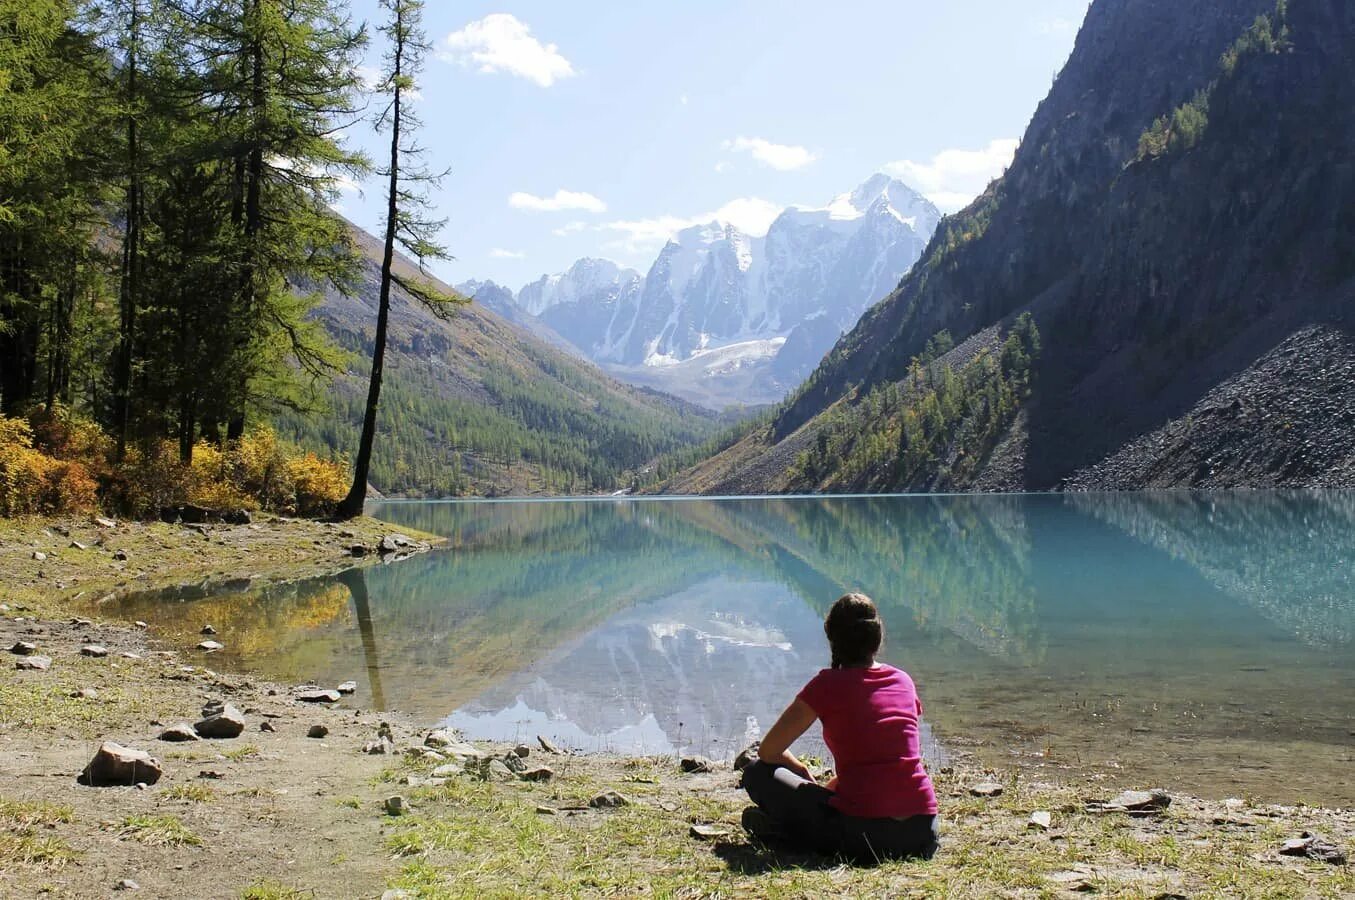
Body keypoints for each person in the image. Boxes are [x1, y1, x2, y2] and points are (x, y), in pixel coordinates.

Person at [741, 592, 939, 863]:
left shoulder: (826, 685)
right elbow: (881, 758)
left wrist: (799, 770)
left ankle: (782, 833)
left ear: (834, 640)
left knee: (756, 773)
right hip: (923, 830)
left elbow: (769, 751)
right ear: (876, 637)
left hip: (865, 835)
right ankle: (786, 831)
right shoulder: (902, 680)